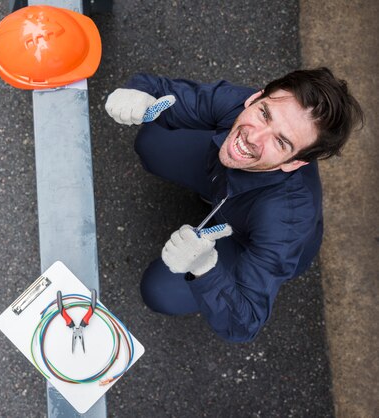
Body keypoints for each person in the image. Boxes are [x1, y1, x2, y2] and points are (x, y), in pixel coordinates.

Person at [105, 67, 363, 343]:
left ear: (295, 162)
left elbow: (244, 323)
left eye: (281, 141)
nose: (254, 136)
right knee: (153, 139)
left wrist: (205, 267)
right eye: (264, 114)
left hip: (247, 239)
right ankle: (214, 197)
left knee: (159, 291)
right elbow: (163, 91)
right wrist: (138, 93)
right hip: (225, 181)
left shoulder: (286, 223)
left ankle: (214, 233)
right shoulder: (240, 102)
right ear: (255, 98)